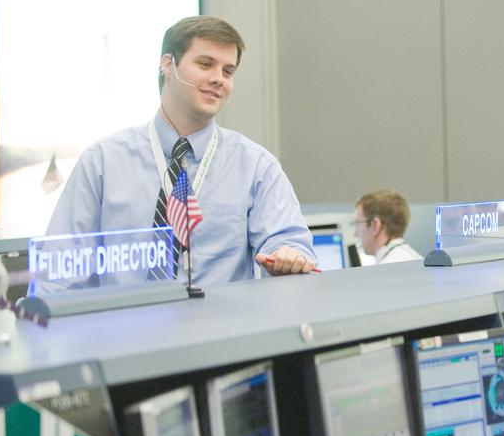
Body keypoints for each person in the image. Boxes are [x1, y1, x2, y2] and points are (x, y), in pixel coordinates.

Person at [47, 16, 315, 286]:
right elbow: (60, 270)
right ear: (168, 64)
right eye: (205, 64)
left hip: (223, 326)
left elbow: (289, 244)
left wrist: (290, 256)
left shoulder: (256, 166)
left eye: (228, 71)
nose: (218, 79)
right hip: (126, 324)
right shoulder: (103, 161)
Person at [354, 189, 422, 264]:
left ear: (375, 226)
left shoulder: (385, 270)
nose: (355, 233)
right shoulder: (415, 259)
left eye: (357, 223)